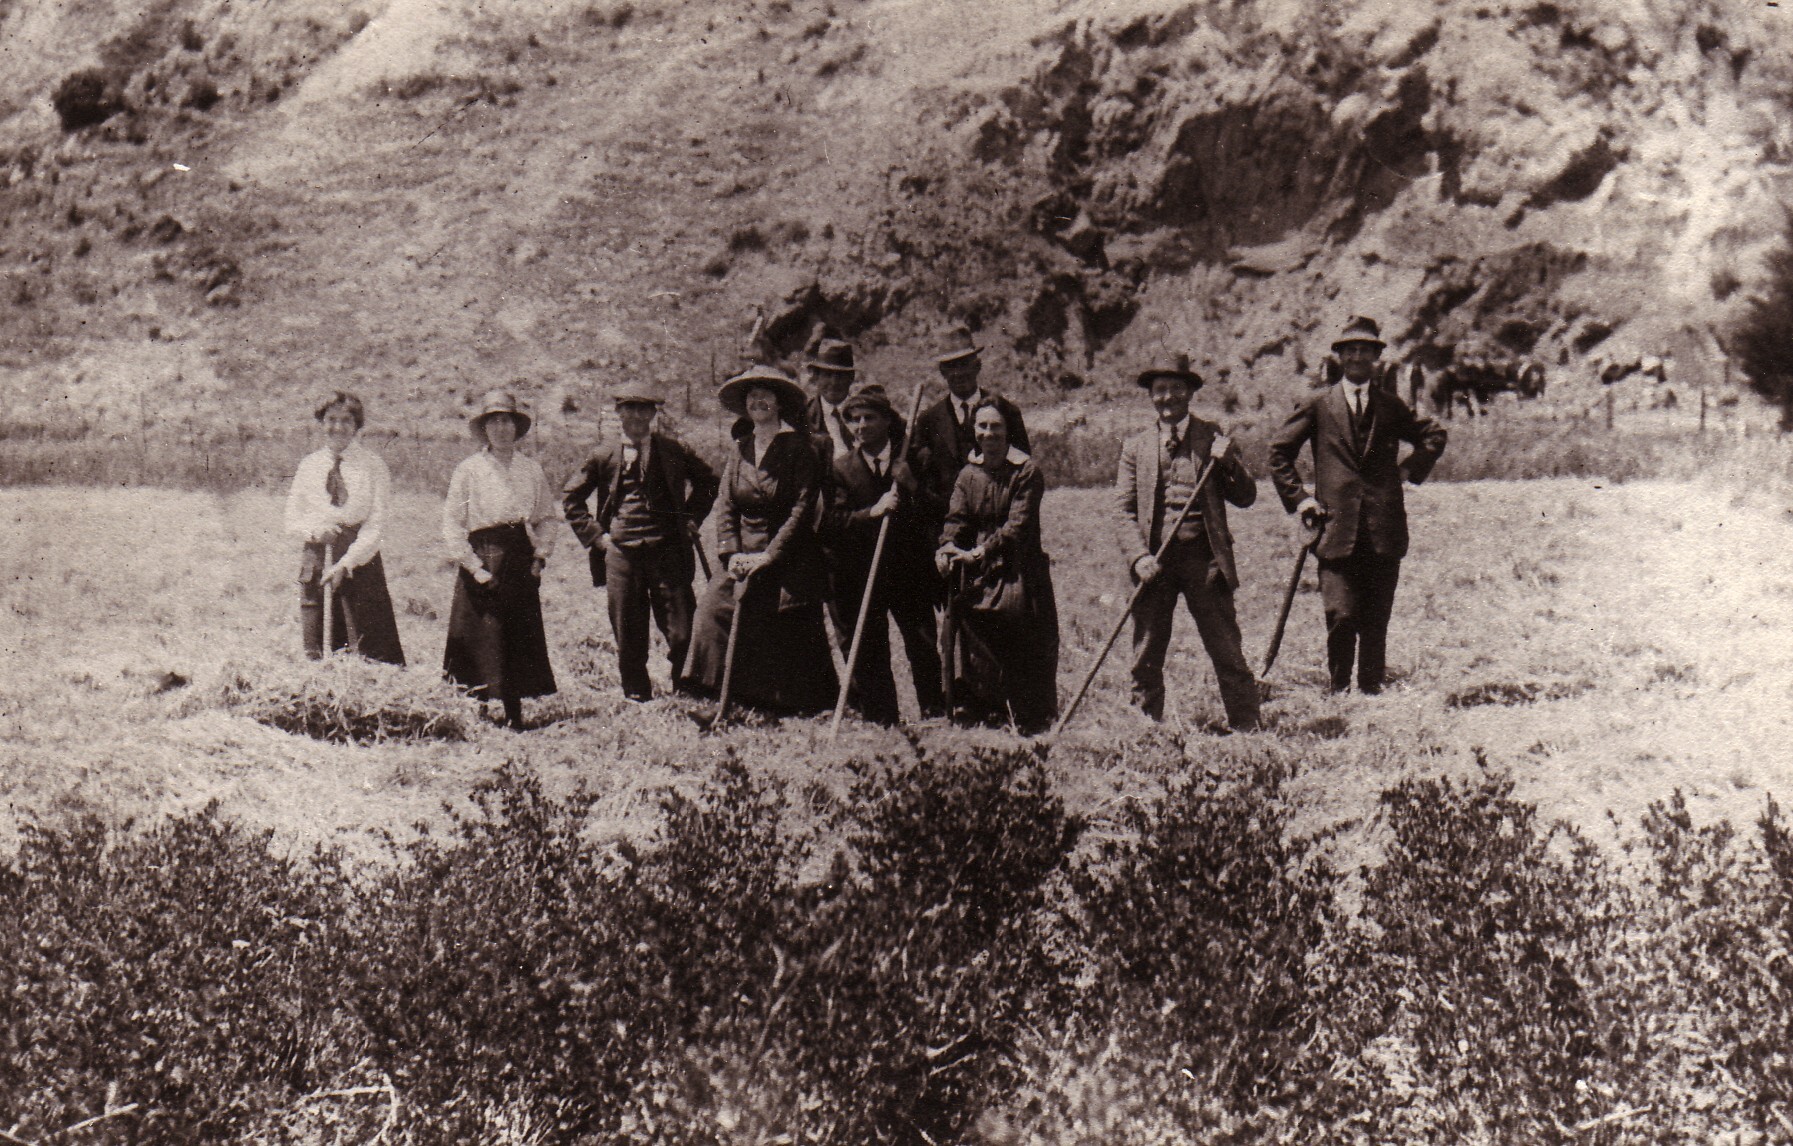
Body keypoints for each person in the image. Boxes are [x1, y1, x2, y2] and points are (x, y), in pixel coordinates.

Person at [1267, 316, 1448, 694]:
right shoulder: (1319, 403)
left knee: (1376, 617)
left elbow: (1433, 434)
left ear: (1376, 357)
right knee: (1341, 613)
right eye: (1351, 350)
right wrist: (1300, 500)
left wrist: (1408, 469)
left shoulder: (1390, 406)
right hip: (1334, 528)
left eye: (1366, 350)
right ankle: (1338, 688)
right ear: (1340, 356)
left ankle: (1371, 690)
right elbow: (1279, 452)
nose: (1358, 356)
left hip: (1383, 528)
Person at [1114, 356, 1260, 731]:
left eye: (1177, 388)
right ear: (1150, 396)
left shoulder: (1214, 436)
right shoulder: (1135, 447)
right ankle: (1146, 730)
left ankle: (1247, 728)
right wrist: (1137, 557)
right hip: (1154, 565)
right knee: (1145, 653)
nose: (1168, 397)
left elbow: (1246, 496)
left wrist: (1230, 464)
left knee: (1226, 648)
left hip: (1205, 561)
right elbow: (1123, 511)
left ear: (1191, 392)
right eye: (1160, 389)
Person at [682, 366, 839, 716]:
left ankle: (775, 703)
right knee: (712, 608)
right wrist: (731, 552)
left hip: (787, 553)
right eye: (752, 396)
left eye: (766, 395)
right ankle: (714, 692)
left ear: (780, 403)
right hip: (742, 553)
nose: (759, 401)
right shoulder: (740, 449)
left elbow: (802, 508)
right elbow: (726, 504)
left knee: (778, 617)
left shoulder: (800, 448)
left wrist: (769, 556)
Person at [562, 381, 719, 702]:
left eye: (643, 408)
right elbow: (571, 498)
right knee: (629, 631)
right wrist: (598, 538)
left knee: (681, 629)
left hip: (668, 551)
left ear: (653, 413)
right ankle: (636, 694)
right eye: (629, 408)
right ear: (618, 412)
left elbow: (709, 482)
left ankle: (685, 690)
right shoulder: (603, 454)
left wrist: (690, 518)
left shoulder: (674, 451)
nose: (636, 415)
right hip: (621, 555)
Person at [823, 383, 944, 724]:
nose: (861, 426)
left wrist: (912, 486)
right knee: (872, 651)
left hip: (910, 570)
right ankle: (883, 720)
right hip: (865, 573)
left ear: (888, 421)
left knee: (922, 646)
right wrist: (872, 512)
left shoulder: (916, 459)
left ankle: (934, 713)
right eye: (855, 420)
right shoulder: (841, 469)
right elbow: (834, 521)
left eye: (869, 418)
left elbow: (941, 511)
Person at [936, 399, 1058, 735]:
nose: (988, 434)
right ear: (974, 430)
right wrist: (947, 546)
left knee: (1017, 629)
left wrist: (978, 553)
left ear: (1008, 431)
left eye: (996, 427)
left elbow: (1017, 527)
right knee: (964, 628)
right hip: (982, 569)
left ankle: (1027, 717)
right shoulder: (968, 473)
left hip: (1018, 568)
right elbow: (957, 518)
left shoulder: (1027, 472)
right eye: (982, 426)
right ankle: (980, 706)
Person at [442, 390, 558, 729]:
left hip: (519, 556)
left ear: (517, 427)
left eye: (507, 420)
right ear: (484, 428)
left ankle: (513, 711)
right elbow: (452, 521)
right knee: (479, 632)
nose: (501, 428)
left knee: (515, 633)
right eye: (494, 421)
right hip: (482, 554)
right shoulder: (469, 470)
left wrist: (540, 555)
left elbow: (546, 517)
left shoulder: (530, 470)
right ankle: (476, 710)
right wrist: (473, 567)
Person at [284, 391, 405, 665]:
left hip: (359, 561)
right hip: (316, 558)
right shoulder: (309, 466)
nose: (337, 427)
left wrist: (347, 562)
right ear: (321, 423)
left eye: (346, 420)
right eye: (331, 419)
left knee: (365, 646)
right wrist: (315, 532)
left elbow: (376, 525)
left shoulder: (373, 466)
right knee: (317, 644)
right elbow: (291, 519)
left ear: (357, 425)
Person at [912, 325, 1030, 515]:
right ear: (942, 372)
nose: (958, 373)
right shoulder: (928, 421)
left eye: (964, 363)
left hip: (996, 521)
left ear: (977, 366)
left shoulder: (1007, 412)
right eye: (951, 366)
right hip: (947, 523)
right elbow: (925, 480)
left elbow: (1023, 472)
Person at [803, 337, 858, 465]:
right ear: (816, 377)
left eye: (840, 376)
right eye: (827, 375)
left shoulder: (865, 413)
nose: (833, 383)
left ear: (851, 378)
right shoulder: (804, 417)